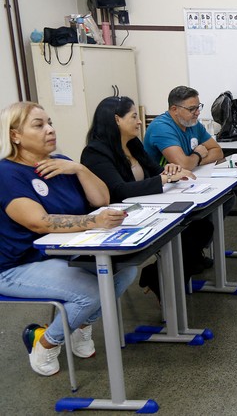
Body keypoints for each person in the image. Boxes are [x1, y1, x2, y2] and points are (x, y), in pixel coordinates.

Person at [0, 102, 138, 377]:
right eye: (39, 125)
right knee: (91, 292)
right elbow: (37, 222)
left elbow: (101, 200)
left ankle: (80, 326)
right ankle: (45, 342)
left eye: (50, 122)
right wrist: (93, 221)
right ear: (15, 135)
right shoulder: (7, 173)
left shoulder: (60, 163)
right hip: (18, 265)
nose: (50, 130)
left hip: (62, 254)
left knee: (125, 271)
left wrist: (79, 170)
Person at [81, 96, 215, 300]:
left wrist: (169, 171)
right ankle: (163, 283)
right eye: (134, 116)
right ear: (117, 120)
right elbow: (119, 191)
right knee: (187, 232)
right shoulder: (96, 152)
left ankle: (159, 277)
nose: (139, 121)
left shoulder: (133, 144)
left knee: (201, 226)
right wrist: (164, 178)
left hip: (146, 208)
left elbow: (156, 172)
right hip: (119, 218)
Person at [143, 85, 224, 169]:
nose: (197, 113)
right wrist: (198, 155)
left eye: (198, 107)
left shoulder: (192, 123)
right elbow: (183, 165)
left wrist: (194, 162)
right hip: (162, 180)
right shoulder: (161, 127)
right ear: (174, 110)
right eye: (192, 109)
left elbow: (217, 152)